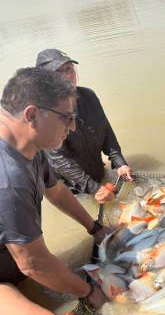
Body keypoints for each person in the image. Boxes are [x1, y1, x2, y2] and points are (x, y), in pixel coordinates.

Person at [0, 67, 108, 315]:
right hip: (16, 266)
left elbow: (56, 190)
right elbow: (32, 263)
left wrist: (94, 228)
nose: (72, 127)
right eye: (67, 118)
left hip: (12, 260)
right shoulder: (7, 178)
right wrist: (89, 293)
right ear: (32, 115)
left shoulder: (27, 146)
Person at [35, 49, 132, 204]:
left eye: (68, 69)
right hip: (71, 190)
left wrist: (119, 162)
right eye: (57, 73)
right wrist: (94, 188)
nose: (66, 76)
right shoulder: (43, 113)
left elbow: (105, 131)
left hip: (98, 173)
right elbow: (59, 160)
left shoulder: (88, 96)